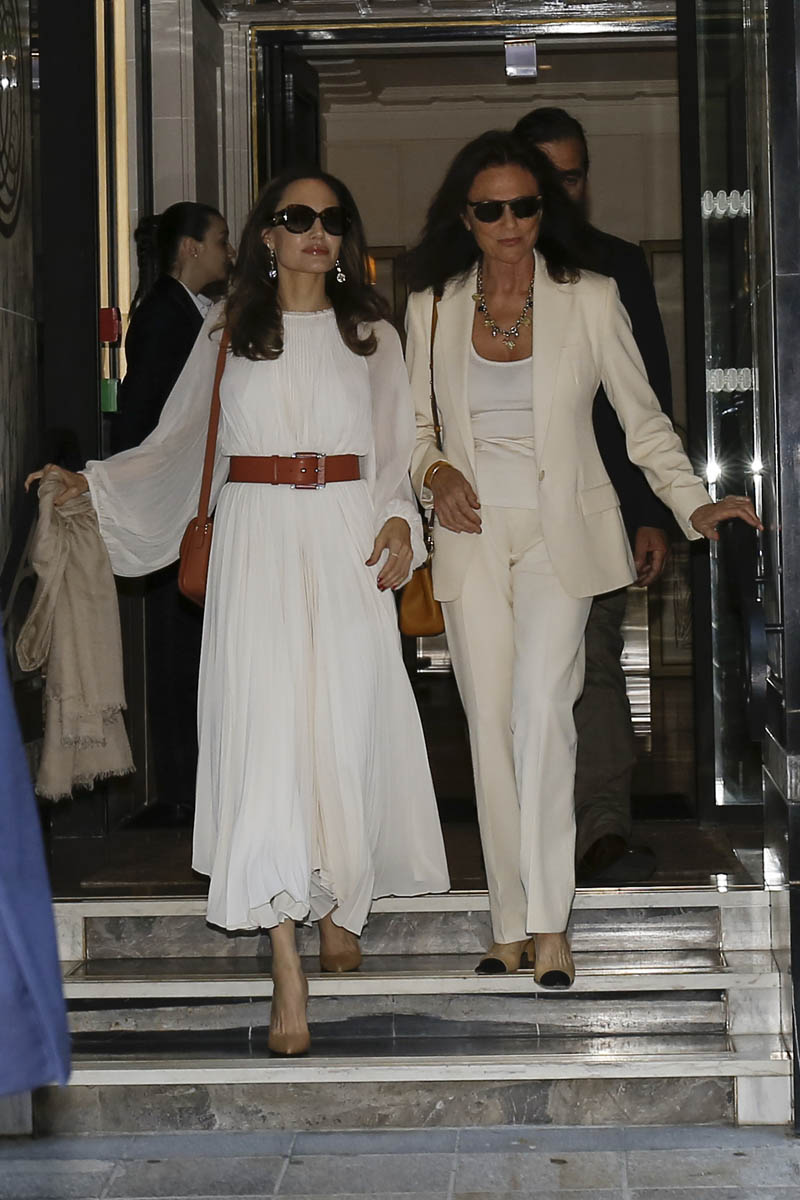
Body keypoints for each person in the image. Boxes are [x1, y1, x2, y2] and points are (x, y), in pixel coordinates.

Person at [26, 168, 450, 1056]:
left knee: (342, 723)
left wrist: (400, 522)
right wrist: (93, 487)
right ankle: (284, 960)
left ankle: (337, 896)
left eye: (332, 218)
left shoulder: (373, 333)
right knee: (266, 737)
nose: (317, 231)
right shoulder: (228, 329)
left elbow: (393, 451)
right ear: (267, 233)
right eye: (298, 217)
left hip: (345, 538)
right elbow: (179, 444)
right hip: (255, 540)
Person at [404, 130, 761, 988]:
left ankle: (549, 922)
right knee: (490, 727)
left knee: (541, 711)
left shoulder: (591, 297)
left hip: (561, 534)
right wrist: (435, 473)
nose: (510, 222)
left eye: (524, 205)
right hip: (471, 535)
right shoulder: (432, 307)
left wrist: (692, 503)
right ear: (465, 216)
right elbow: (412, 431)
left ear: (546, 208)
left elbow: (643, 421)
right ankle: (508, 923)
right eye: (491, 209)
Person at [514, 106, 673, 885]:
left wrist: (651, 514)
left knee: (597, 663)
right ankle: (527, 836)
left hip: (595, 506)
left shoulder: (617, 266)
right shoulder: (467, 271)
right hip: (500, 516)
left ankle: (604, 830)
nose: (557, 191)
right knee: (513, 681)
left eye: (570, 176)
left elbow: (645, 401)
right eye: (543, 176)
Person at [113, 203, 234, 825]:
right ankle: (181, 789)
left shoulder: (194, 311)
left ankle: (192, 785)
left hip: (187, 498)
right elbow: (147, 416)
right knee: (177, 647)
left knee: (191, 645)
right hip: (174, 502)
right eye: (219, 240)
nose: (227, 251)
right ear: (190, 248)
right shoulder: (165, 314)